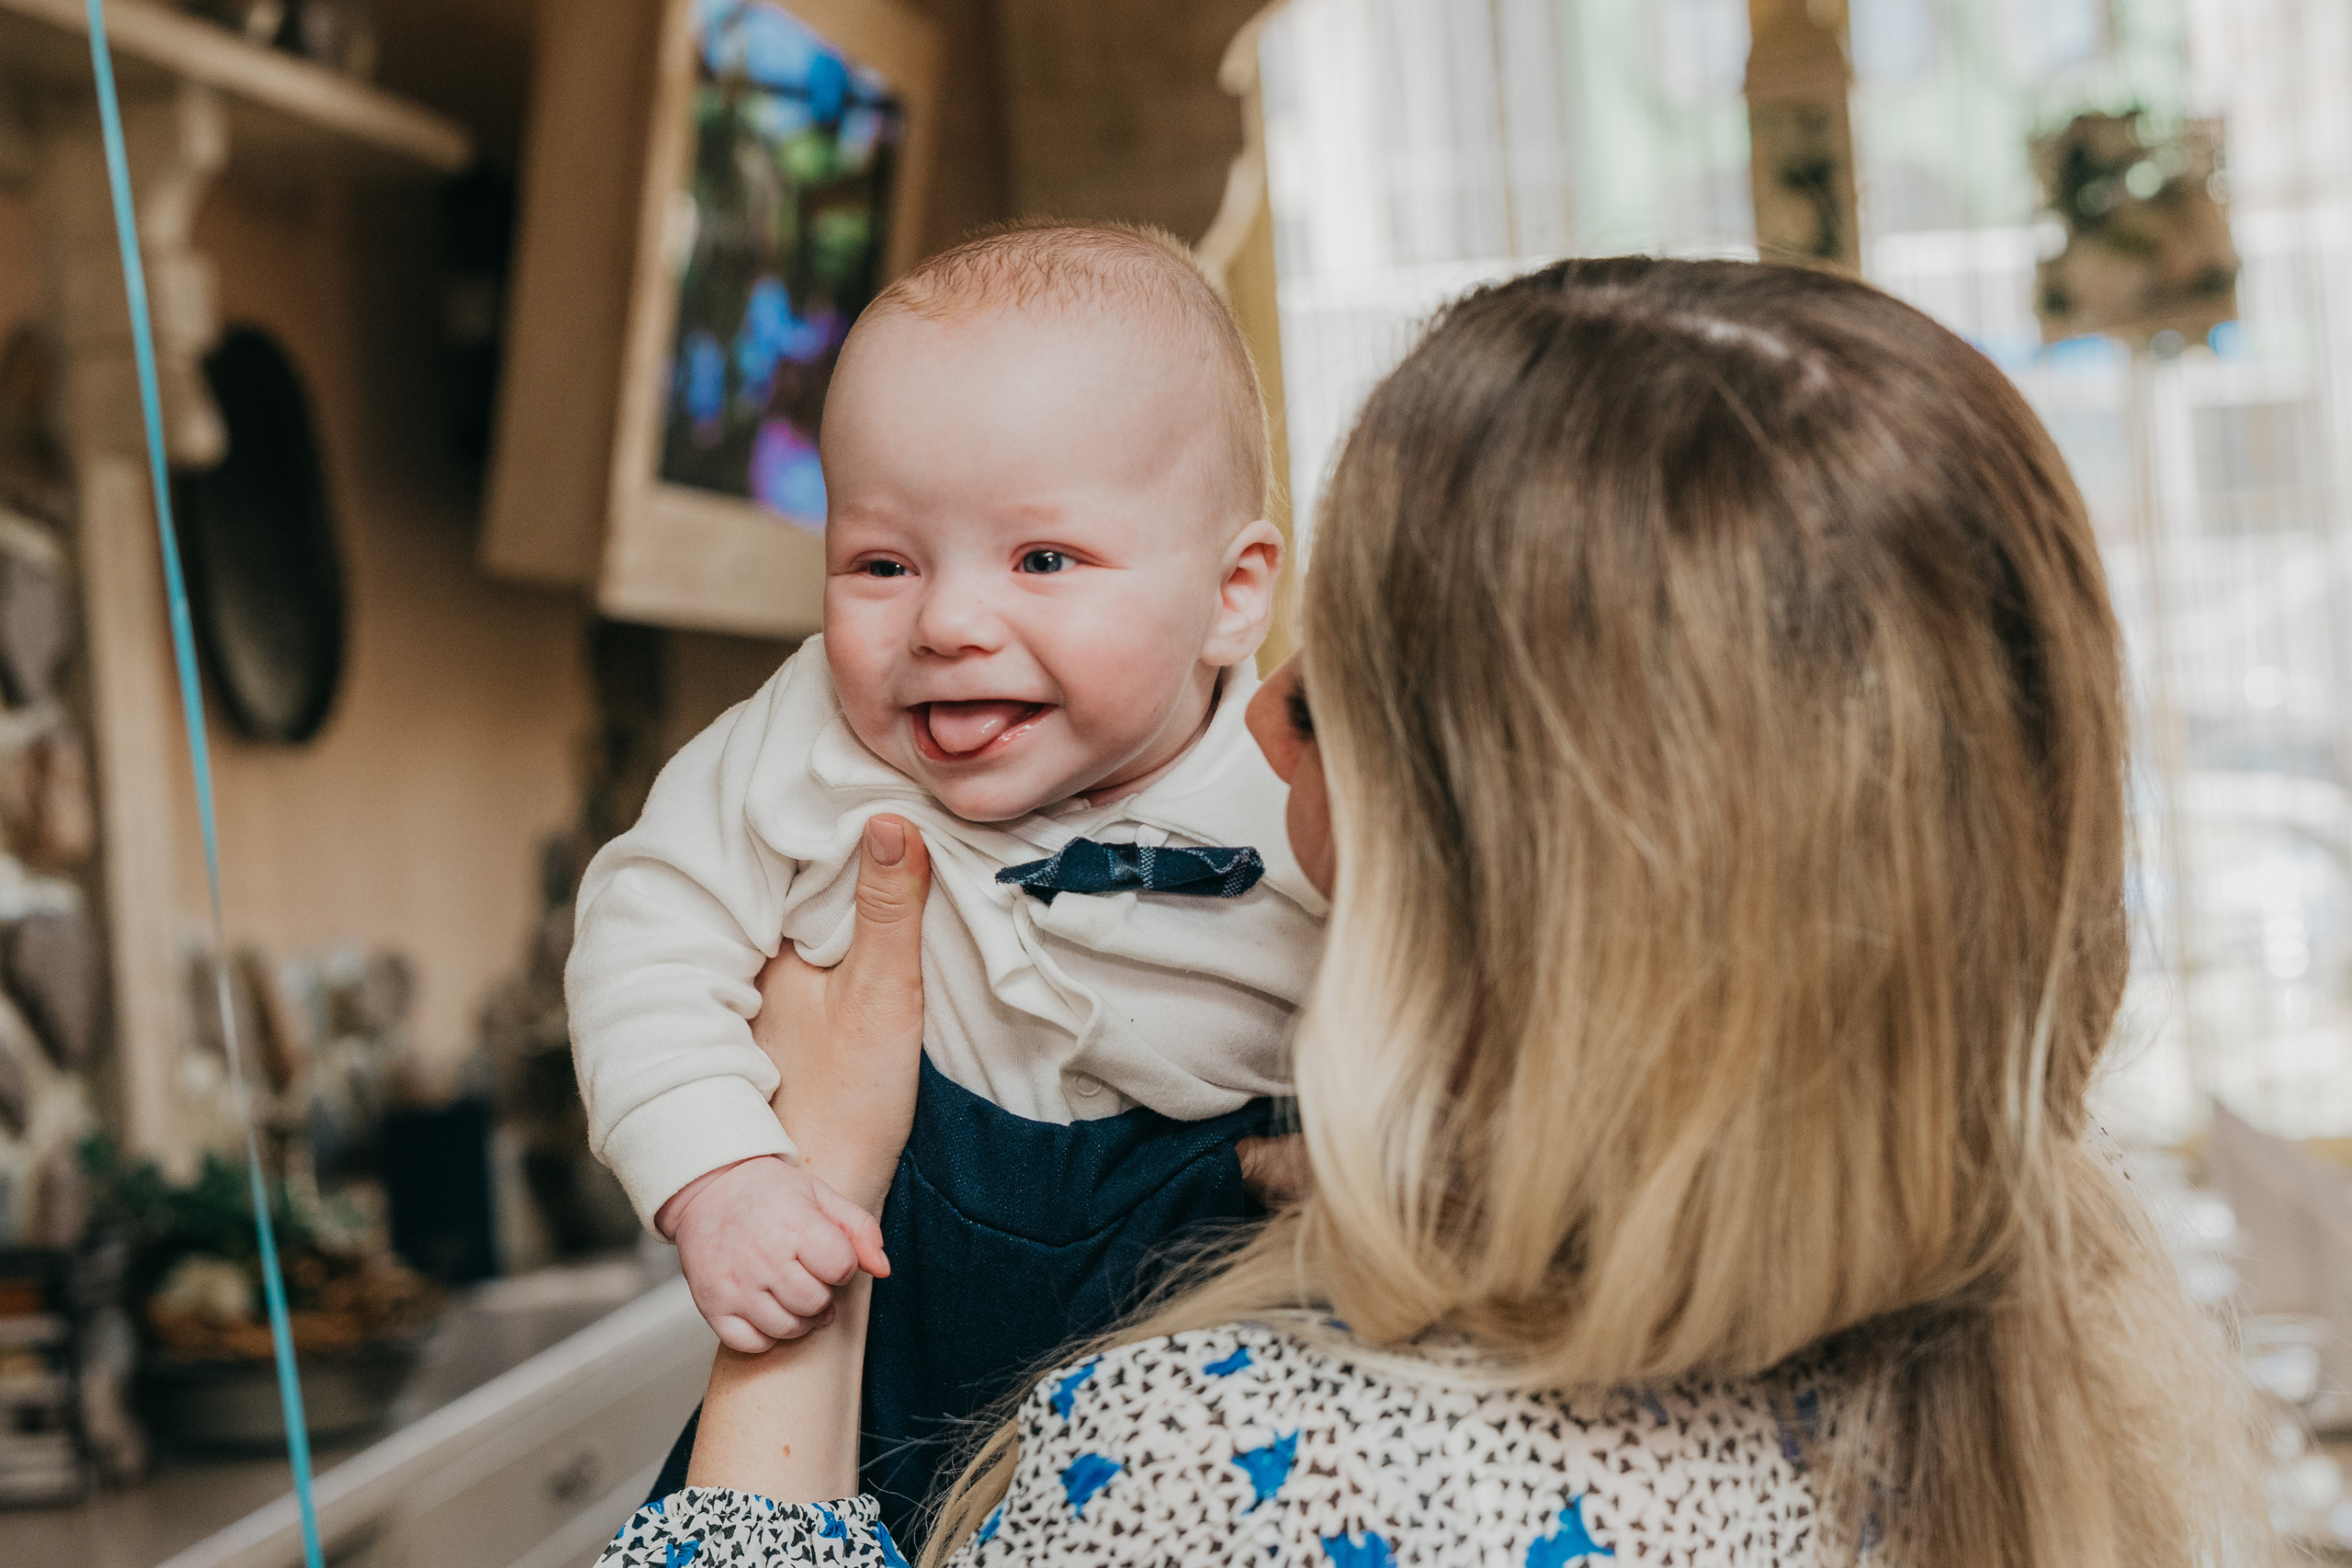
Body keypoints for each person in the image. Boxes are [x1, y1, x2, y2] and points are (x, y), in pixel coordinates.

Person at [601, 256, 2277, 1567]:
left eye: (1342, 689)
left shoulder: (1216, 1471)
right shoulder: (2034, 1403)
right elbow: (651, 926)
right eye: (883, 564)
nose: (1269, 722)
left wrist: (813, 1221)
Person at [567, 221, 1326, 1528]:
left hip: (1193, 1378)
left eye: (1044, 560)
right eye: (883, 564)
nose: (949, 623)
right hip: (870, 1347)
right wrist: (721, 1173)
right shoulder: (803, 743)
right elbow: (647, 930)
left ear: (1232, 594)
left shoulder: (1301, 798)